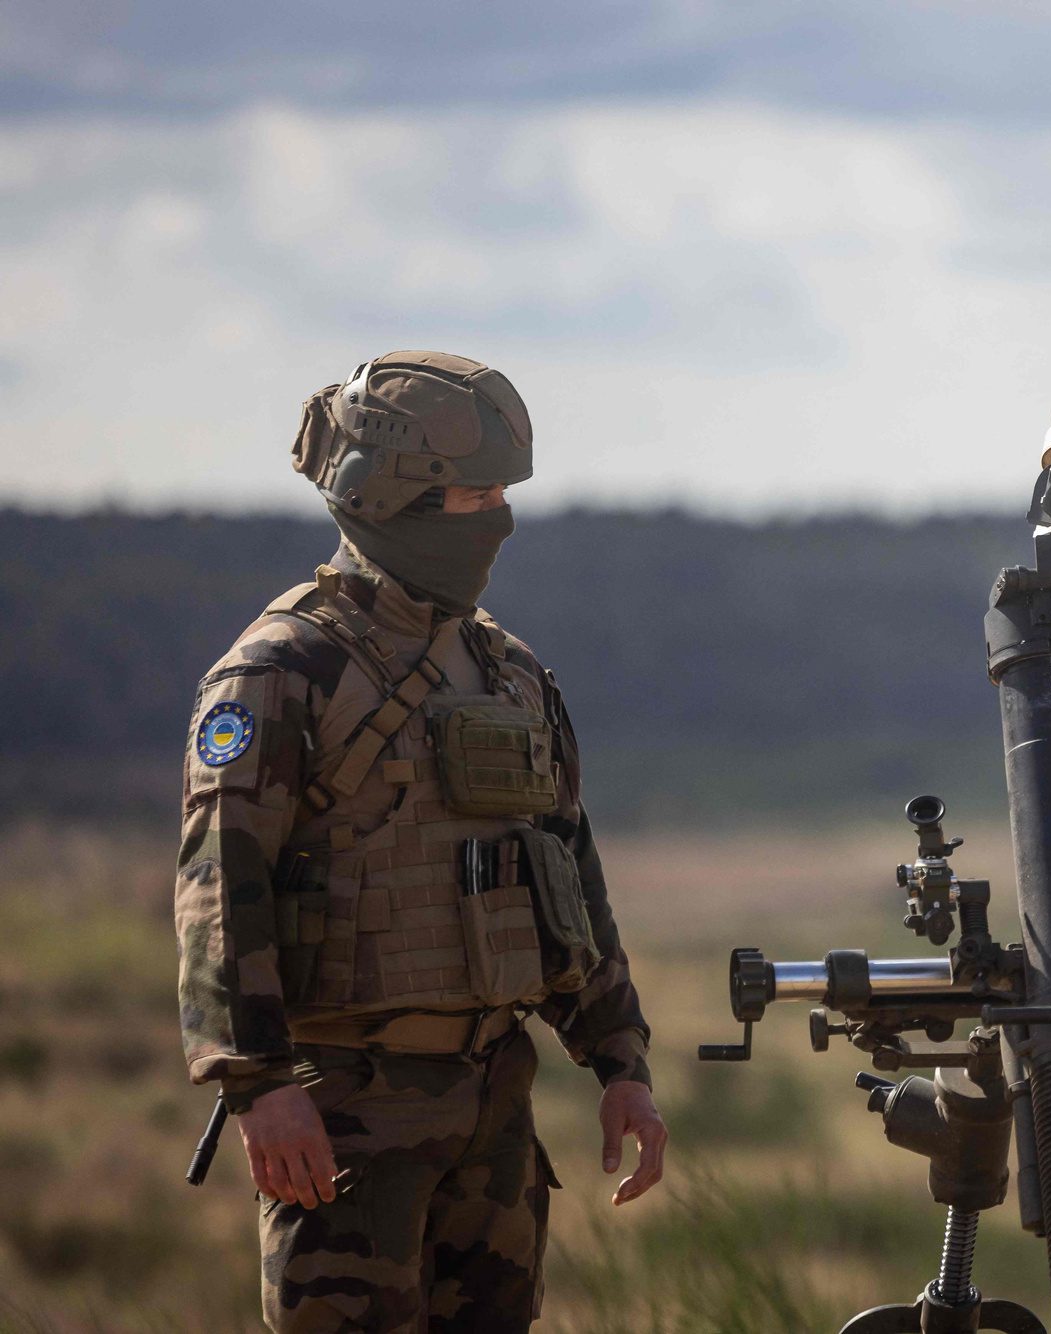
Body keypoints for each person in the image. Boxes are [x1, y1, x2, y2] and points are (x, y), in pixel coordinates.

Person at [174, 351, 667, 1331]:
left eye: (500, 491)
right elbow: (221, 889)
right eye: (468, 493)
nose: (496, 517)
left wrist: (621, 1061)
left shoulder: (508, 671)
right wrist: (257, 1080)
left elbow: (567, 878)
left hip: (492, 1097)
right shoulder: (282, 670)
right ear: (386, 496)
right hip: (347, 1111)